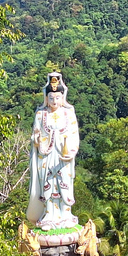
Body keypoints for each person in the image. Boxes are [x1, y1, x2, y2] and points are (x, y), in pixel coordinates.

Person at [26, 73, 80, 230]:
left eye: (57, 97)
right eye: (51, 98)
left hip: (63, 155)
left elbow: (74, 134)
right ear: (46, 98)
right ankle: (49, 214)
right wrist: (37, 140)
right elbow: (35, 134)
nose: (54, 101)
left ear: (63, 97)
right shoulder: (40, 114)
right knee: (48, 183)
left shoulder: (68, 113)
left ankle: (66, 214)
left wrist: (71, 150)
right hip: (46, 155)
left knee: (64, 183)